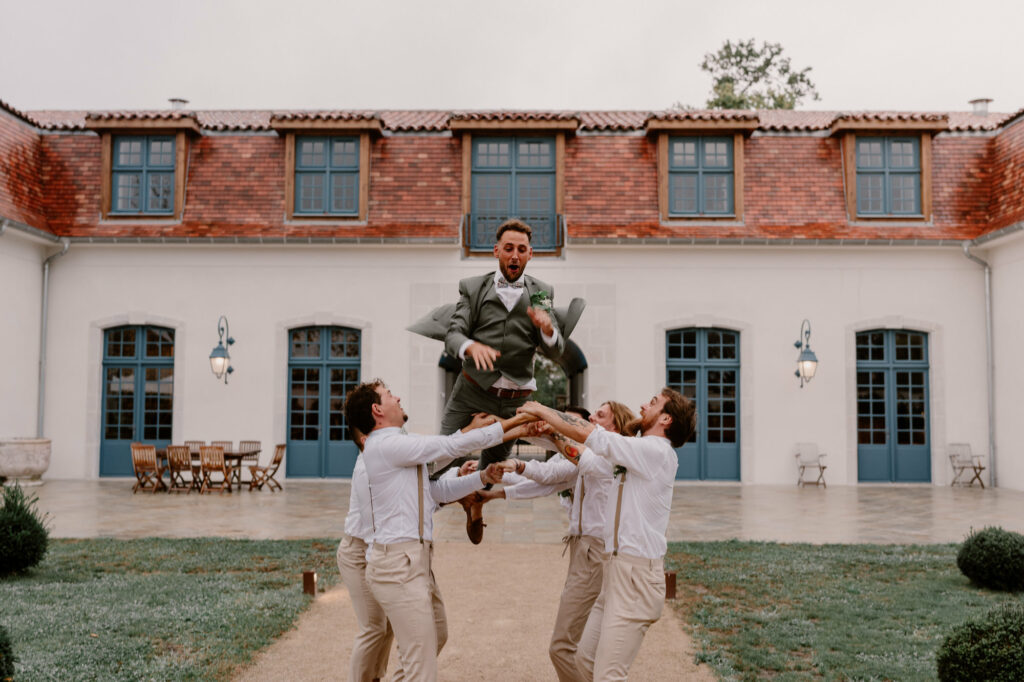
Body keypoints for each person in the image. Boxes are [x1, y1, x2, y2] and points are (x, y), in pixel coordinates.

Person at [343, 380, 529, 681]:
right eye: (390, 395)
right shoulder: (387, 444)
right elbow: (449, 446)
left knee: (425, 651)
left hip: (412, 559)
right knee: (417, 662)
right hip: (398, 564)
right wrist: (518, 422)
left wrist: (481, 476)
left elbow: (434, 491)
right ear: (377, 410)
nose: (399, 396)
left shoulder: (396, 447)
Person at [517, 389, 696, 681]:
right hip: (614, 573)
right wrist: (552, 433)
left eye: (651, 403)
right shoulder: (636, 453)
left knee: (608, 675)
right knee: (585, 662)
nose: (642, 404)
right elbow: (588, 461)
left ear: (666, 418)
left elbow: (595, 437)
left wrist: (544, 410)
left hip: (636, 581)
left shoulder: (658, 452)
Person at [440, 218, 566, 543]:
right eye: (508, 248)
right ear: (497, 250)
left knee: (494, 469)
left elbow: (554, 348)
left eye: (521, 250)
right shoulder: (473, 287)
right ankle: (423, 514)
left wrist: (548, 330)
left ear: (530, 254)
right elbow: (453, 334)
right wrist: (470, 345)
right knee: (441, 456)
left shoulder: (540, 293)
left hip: (515, 400)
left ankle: (475, 500)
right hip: (471, 390)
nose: (514, 255)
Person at [493, 402, 636, 682]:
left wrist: (536, 426)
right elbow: (552, 473)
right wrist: (512, 459)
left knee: (562, 648)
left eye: (600, 415)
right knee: (583, 647)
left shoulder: (609, 456)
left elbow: (559, 449)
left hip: (593, 553)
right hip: (584, 550)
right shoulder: (595, 454)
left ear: (615, 426)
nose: (591, 416)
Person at [336, 425, 399, 682]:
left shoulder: (384, 460)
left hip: (373, 549)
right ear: (365, 440)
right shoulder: (366, 467)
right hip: (357, 551)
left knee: (389, 625)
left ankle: (374, 677)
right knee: (373, 626)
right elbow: (373, 522)